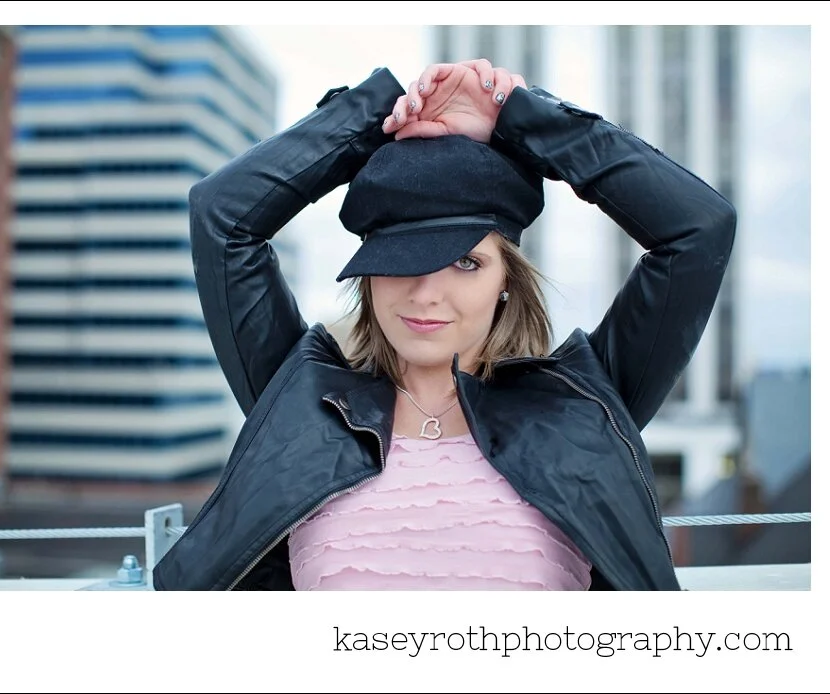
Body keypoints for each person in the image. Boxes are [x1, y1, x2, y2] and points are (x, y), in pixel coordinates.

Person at [152, 59, 736, 591]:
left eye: (466, 262)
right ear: (369, 276)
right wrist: (375, 119)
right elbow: (223, 217)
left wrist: (521, 120)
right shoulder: (300, 403)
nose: (428, 293)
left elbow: (697, 230)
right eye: (401, 260)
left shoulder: (583, 406)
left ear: (506, 278)